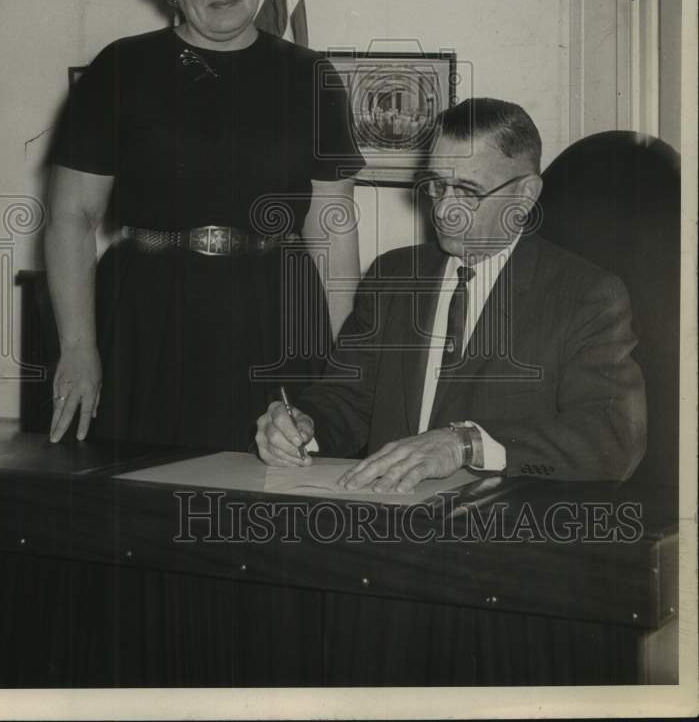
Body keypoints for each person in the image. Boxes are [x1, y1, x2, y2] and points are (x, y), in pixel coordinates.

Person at [44, 0, 364, 450]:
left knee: (271, 488)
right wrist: (78, 346)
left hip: (275, 313)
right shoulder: (122, 67)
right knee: (139, 495)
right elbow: (72, 215)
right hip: (148, 312)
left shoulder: (311, 77)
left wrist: (346, 363)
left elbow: (331, 223)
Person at [256, 98, 646, 486]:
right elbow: (345, 401)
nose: (443, 209)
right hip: (387, 521)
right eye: (437, 186)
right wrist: (302, 427)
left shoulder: (586, 295)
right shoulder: (392, 276)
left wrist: (466, 444)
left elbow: (612, 439)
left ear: (525, 195)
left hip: (503, 531)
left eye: (467, 191)